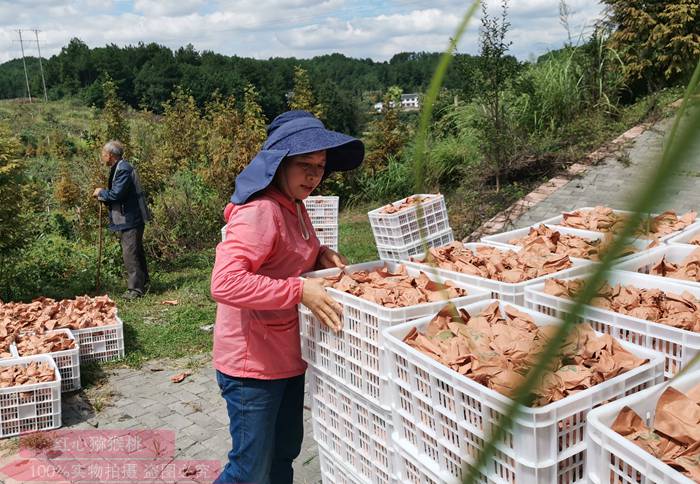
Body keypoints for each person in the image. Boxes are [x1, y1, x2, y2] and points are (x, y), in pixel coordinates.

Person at [210, 110, 364, 484]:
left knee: (283, 456)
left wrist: (320, 253)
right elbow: (225, 283)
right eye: (304, 165)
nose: (314, 175)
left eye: (321, 166)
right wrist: (299, 289)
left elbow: (284, 255)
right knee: (250, 470)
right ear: (278, 164)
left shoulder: (294, 205)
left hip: (286, 358)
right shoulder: (260, 211)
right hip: (252, 369)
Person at [93, 140, 151, 300]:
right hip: (129, 216)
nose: (102, 157)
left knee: (130, 253)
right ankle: (143, 283)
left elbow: (117, 194)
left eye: (103, 154)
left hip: (131, 217)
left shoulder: (123, 169)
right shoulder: (117, 168)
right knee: (136, 251)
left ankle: (135, 290)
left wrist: (101, 192)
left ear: (110, 155)